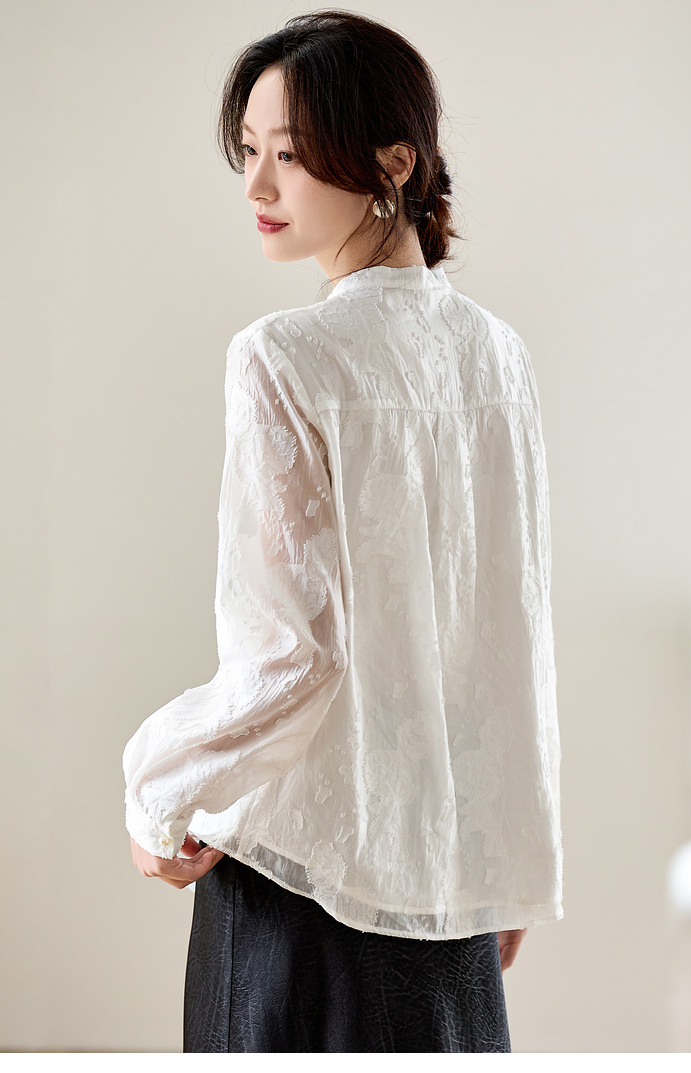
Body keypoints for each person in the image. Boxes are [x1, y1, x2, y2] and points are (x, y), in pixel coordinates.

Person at [123, 8, 562, 1054]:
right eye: (248, 153)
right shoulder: (498, 355)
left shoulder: (283, 356)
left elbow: (294, 655)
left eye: (288, 153)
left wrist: (159, 792)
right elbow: (513, 633)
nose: (256, 187)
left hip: (298, 887)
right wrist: (506, 861)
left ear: (393, 162)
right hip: (443, 885)